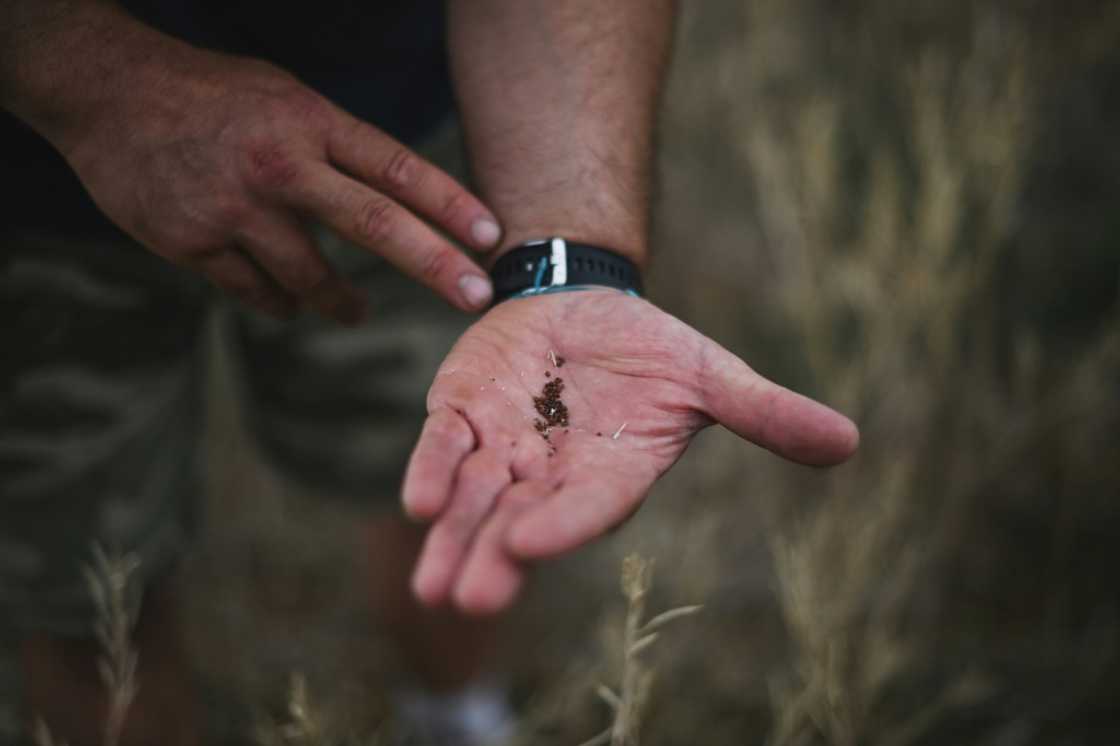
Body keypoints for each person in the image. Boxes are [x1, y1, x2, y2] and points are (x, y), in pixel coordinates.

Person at [0, 1, 860, 743]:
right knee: (86, 589)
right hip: (31, 197)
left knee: (450, 471)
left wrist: (575, 265)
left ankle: (456, 712)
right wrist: (92, 81)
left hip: (398, 135)